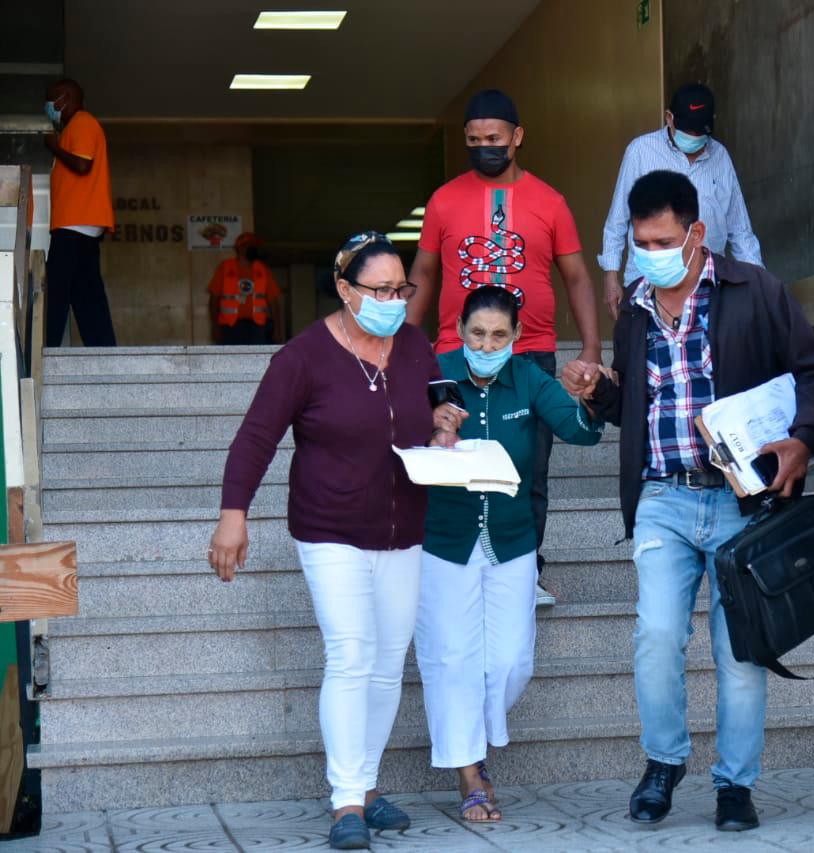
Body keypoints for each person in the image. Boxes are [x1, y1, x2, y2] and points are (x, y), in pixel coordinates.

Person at [563, 170, 814, 833]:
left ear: (696, 232)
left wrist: (803, 441)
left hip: (743, 501)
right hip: (663, 498)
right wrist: (598, 390)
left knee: (741, 652)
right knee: (655, 636)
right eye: (639, 241)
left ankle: (735, 785)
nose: (647, 252)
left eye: (660, 239)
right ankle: (664, 761)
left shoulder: (753, 289)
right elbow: (633, 408)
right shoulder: (632, 305)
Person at [209, 232, 461, 850]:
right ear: (346, 290)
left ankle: (368, 788)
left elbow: (438, 403)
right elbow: (255, 439)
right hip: (331, 529)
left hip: (404, 530)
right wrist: (232, 514)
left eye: (402, 288)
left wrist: (445, 425)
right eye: (380, 289)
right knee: (352, 654)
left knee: (385, 664)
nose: (395, 299)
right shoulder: (302, 357)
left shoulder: (413, 344)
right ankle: (347, 800)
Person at [415, 285, 604, 822]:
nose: (487, 343)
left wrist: (589, 399)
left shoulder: (529, 378)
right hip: (444, 540)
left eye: (499, 334)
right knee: (451, 658)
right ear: (460, 330)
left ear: (517, 336)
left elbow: (580, 433)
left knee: (511, 659)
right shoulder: (434, 371)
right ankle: (471, 773)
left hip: (513, 540)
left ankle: (471, 732)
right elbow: (398, 434)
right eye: (478, 333)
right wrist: (433, 432)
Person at [408, 88, 602, 607]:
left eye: (493, 139)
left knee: (529, 469)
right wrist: (405, 342)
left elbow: (578, 278)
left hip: (530, 353)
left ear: (517, 137)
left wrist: (590, 348)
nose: (483, 148)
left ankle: (526, 568)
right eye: (473, 141)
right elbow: (424, 273)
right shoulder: (445, 199)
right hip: (455, 353)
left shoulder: (550, 201)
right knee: (448, 461)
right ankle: (447, 564)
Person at [600, 83, 762, 319]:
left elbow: (740, 231)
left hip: (707, 284)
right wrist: (611, 276)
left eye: (701, 132)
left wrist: (759, 283)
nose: (695, 138)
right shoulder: (640, 152)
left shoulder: (720, 156)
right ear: (669, 118)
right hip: (648, 283)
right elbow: (617, 220)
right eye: (689, 131)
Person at [43, 78, 117, 346]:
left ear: (65, 98)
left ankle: (47, 350)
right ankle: (103, 351)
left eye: (51, 100)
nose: (49, 106)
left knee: (58, 292)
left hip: (75, 224)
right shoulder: (74, 127)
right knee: (86, 295)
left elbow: (83, 165)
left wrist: (54, 146)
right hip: (81, 225)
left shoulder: (83, 123)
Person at [207, 232, 284, 345]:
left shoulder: (262, 269)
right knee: (231, 361)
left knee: (255, 360)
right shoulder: (225, 267)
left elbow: (273, 302)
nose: (255, 249)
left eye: (255, 246)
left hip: (257, 327)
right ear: (241, 248)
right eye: (251, 246)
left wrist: (278, 329)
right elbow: (213, 300)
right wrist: (215, 327)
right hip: (229, 327)